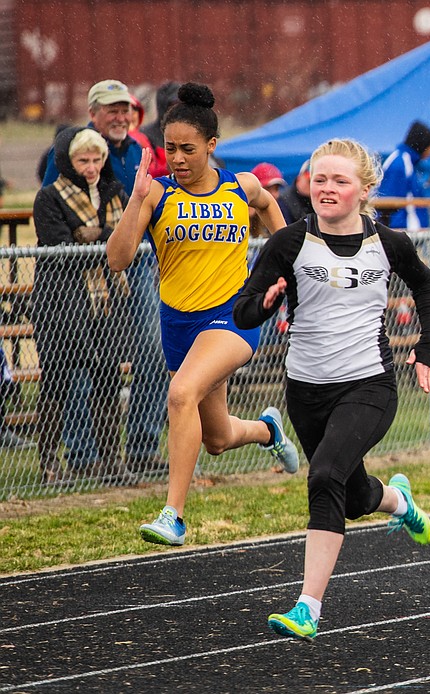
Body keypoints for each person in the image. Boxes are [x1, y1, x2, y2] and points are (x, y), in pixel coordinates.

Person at [234, 138, 430, 640]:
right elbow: (243, 310)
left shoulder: (389, 243)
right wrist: (267, 303)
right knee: (348, 497)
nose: (327, 188)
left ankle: (307, 608)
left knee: (324, 474)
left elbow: (427, 289)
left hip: (369, 384)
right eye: (320, 178)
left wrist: (427, 349)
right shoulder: (288, 243)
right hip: (306, 391)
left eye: (340, 180)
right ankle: (396, 500)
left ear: (365, 189)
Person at [108, 82, 299, 546]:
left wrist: (290, 267)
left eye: (187, 149)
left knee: (180, 393)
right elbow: (117, 259)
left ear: (211, 146)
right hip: (179, 323)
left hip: (233, 317)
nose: (176, 158)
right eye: (169, 148)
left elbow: (270, 208)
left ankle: (173, 514)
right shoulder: (156, 195)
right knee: (215, 437)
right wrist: (135, 201)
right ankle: (267, 429)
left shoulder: (241, 187)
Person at [32, 127, 134, 486]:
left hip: (105, 303)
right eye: (82, 160)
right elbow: (60, 249)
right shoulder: (49, 197)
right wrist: (104, 239)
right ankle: (49, 464)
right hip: (60, 302)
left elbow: (126, 239)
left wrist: (93, 236)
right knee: (57, 382)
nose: (91, 167)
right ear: (68, 161)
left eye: (96, 159)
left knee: (107, 378)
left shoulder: (114, 192)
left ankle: (111, 461)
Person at [375, 120, 430, 230]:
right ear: (423, 144)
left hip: (409, 231)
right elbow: (390, 202)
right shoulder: (401, 163)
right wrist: (395, 234)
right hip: (406, 231)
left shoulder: (405, 161)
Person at [141, 81, 180, 179]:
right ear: (163, 107)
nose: (179, 110)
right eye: (174, 105)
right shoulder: (145, 137)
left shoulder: (194, 135)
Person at [249, 162, 287, 237]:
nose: (273, 194)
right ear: (255, 189)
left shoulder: (283, 210)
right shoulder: (243, 212)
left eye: (276, 189)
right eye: (268, 188)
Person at [278, 159, 313, 224]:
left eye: (318, 181)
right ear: (299, 178)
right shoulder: (284, 201)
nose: (312, 186)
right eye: (309, 181)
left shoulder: (316, 200)